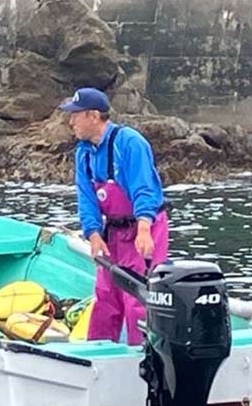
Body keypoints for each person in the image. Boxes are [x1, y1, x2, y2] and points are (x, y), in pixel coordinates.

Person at [59, 87, 170, 345]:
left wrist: (144, 230)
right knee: (106, 294)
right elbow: (86, 198)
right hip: (113, 232)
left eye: (75, 115)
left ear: (93, 115)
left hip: (144, 227)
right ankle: (98, 350)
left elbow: (145, 189)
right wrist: (94, 234)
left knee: (137, 296)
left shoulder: (130, 143)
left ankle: (142, 353)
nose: (71, 121)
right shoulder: (83, 153)